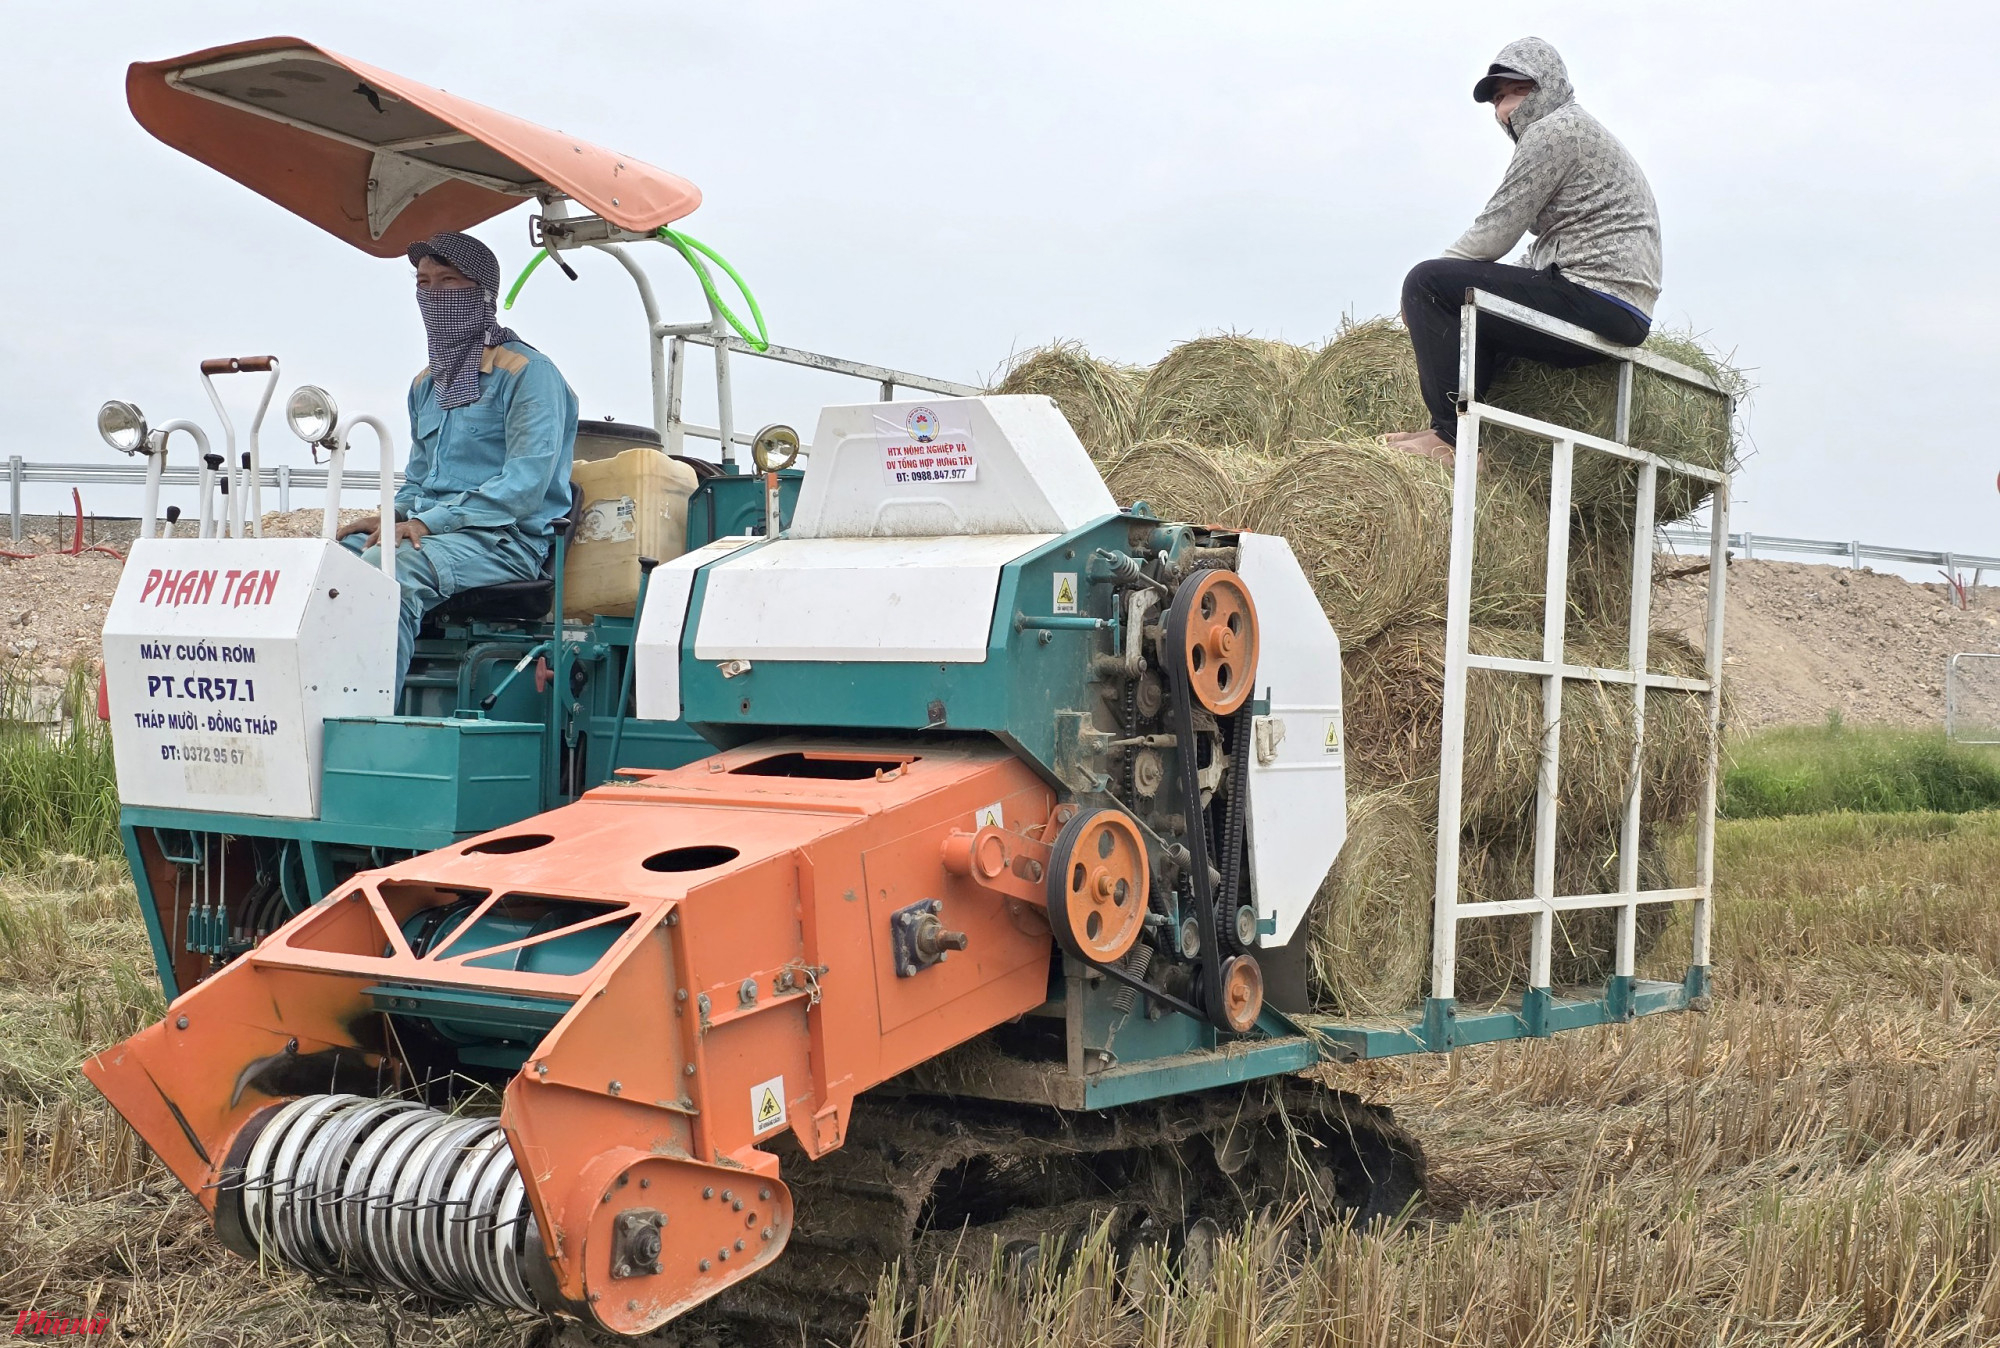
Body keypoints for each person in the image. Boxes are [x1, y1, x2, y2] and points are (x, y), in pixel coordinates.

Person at [1392, 37, 1661, 464]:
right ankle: (1454, 427)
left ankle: (1452, 438)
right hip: (1618, 302)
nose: (1505, 109)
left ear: (1548, 87)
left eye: (1518, 91)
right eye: (1498, 99)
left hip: (1596, 294)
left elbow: (1495, 232)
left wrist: (1419, 294)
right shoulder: (1574, 131)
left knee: (1427, 280)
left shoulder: (1554, 131)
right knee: (1478, 306)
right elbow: (1539, 252)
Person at [340, 231, 578, 701]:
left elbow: (524, 486)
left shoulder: (529, 373)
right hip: (440, 534)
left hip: (506, 541)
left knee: (392, 571)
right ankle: (310, 707)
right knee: (336, 562)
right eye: (424, 284)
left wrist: (426, 524)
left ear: (483, 292)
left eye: (448, 281)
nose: (433, 295)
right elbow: (422, 475)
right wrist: (397, 514)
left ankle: (367, 718)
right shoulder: (426, 383)